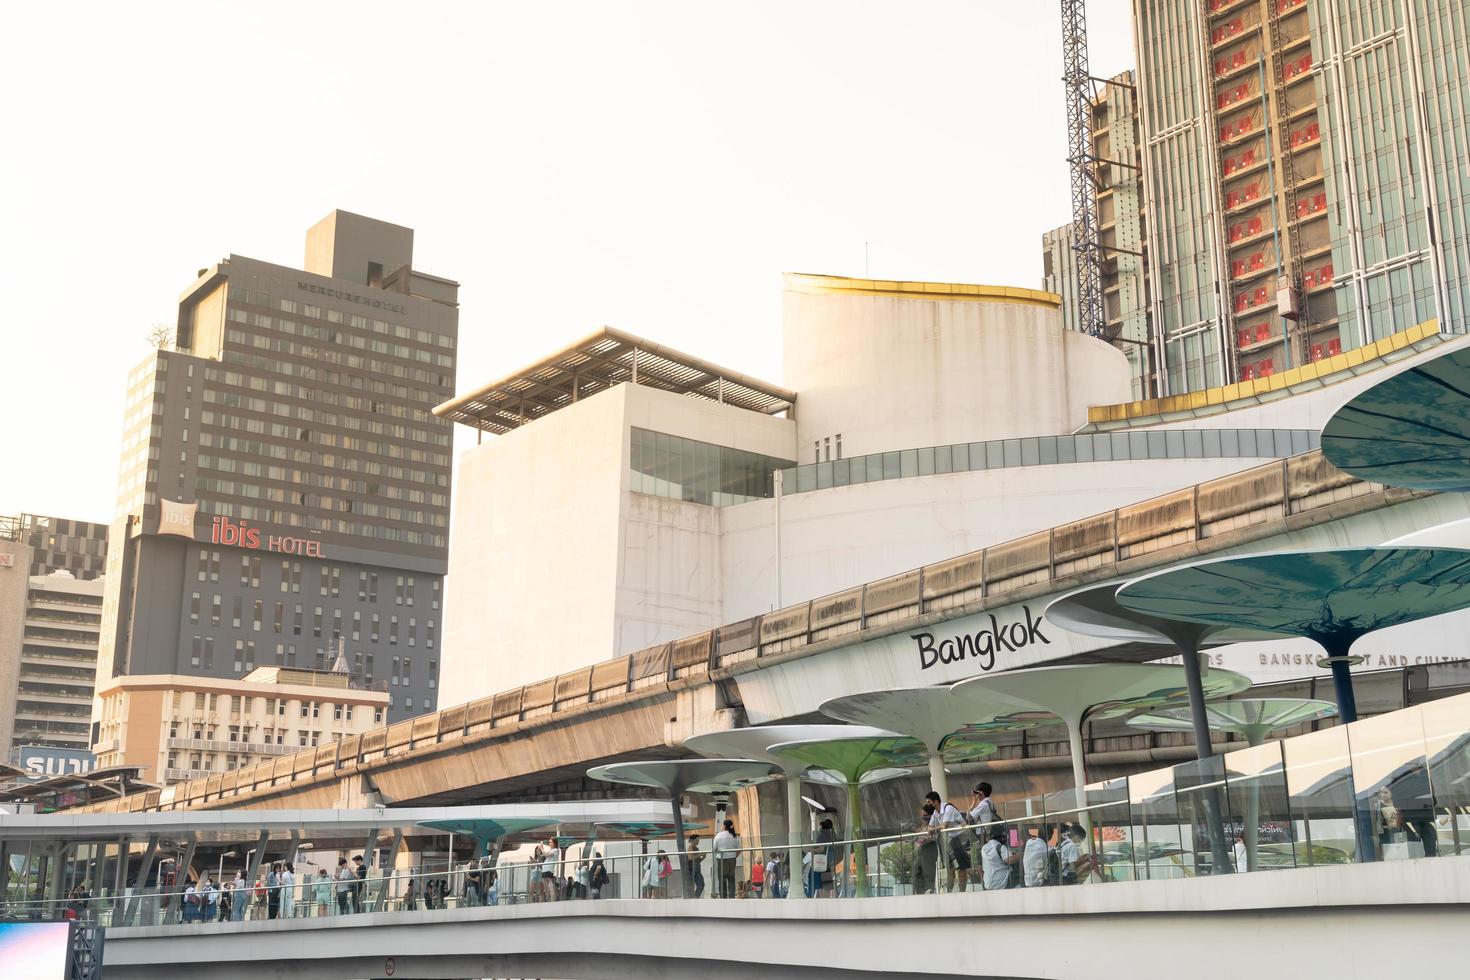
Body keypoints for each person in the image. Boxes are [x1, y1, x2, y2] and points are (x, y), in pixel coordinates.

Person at [926, 790, 969, 892]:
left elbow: (944, 826)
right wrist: (933, 828)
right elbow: (929, 827)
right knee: (950, 867)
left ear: (935, 801)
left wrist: (933, 829)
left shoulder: (948, 808)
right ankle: (949, 891)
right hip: (950, 839)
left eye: (929, 802)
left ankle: (962, 891)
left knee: (961, 867)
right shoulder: (936, 812)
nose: (928, 805)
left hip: (959, 838)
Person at [808, 817, 837, 898]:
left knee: (818, 882)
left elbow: (821, 848)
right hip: (828, 863)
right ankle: (826, 899)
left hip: (820, 862)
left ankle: (822, 900)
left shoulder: (822, 836)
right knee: (827, 884)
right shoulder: (832, 836)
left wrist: (812, 849)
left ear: (822, 827)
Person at [914, 803, 939, 895]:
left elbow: (934, 836)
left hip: (930, 848)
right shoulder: (922, 826)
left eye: (925, 815)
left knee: (928, 871)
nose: (923, 818)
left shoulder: (934, 824)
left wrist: (924, 838)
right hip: (920, 850)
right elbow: (918, 837)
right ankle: (920, 891)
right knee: (917, 871)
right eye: (922, 815)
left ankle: (929, 890)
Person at [980, 825, 1015, 891]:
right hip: (1001, 883)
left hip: (988, 884)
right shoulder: (1001, 847)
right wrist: (1019, 854)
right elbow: (1009, 860)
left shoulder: (984, 848)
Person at [712, 819, 741, 898]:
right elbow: (739, 849)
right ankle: (732, 897)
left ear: (724, 826)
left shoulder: (719, 835)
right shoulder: (734, 836)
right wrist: (734, 856)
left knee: (722, 879)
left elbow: (714, 848)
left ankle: (723, 897)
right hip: (732, 859)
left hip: (721, 859)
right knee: (731, 879)